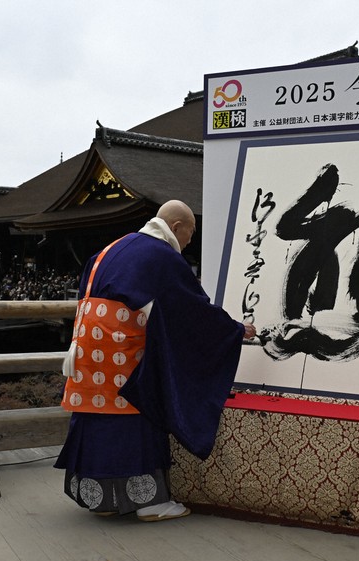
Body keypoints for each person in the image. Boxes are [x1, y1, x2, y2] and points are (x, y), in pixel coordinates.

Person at [55, 200, 256, 522]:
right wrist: (233, 330)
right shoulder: (161, 255)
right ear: (177, 227)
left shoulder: (110, 250)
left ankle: (103, 500)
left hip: (87, 349)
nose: (189, 242)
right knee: (139, 412)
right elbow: (190, 311)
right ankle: (149, 503)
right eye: (190, 234)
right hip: (123, 351)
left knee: (97, 418)